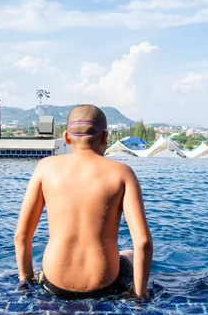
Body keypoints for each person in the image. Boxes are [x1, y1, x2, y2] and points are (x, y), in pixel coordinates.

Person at [14, 104, 153, 299]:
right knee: (129, 253)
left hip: (55, 282)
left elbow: (21, 236)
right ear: (105, 137)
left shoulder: (45, 168)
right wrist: (139, 294)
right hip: (104, 283)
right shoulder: (122, 172)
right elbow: (143, 243)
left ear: (66, 137)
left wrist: (26, 279)